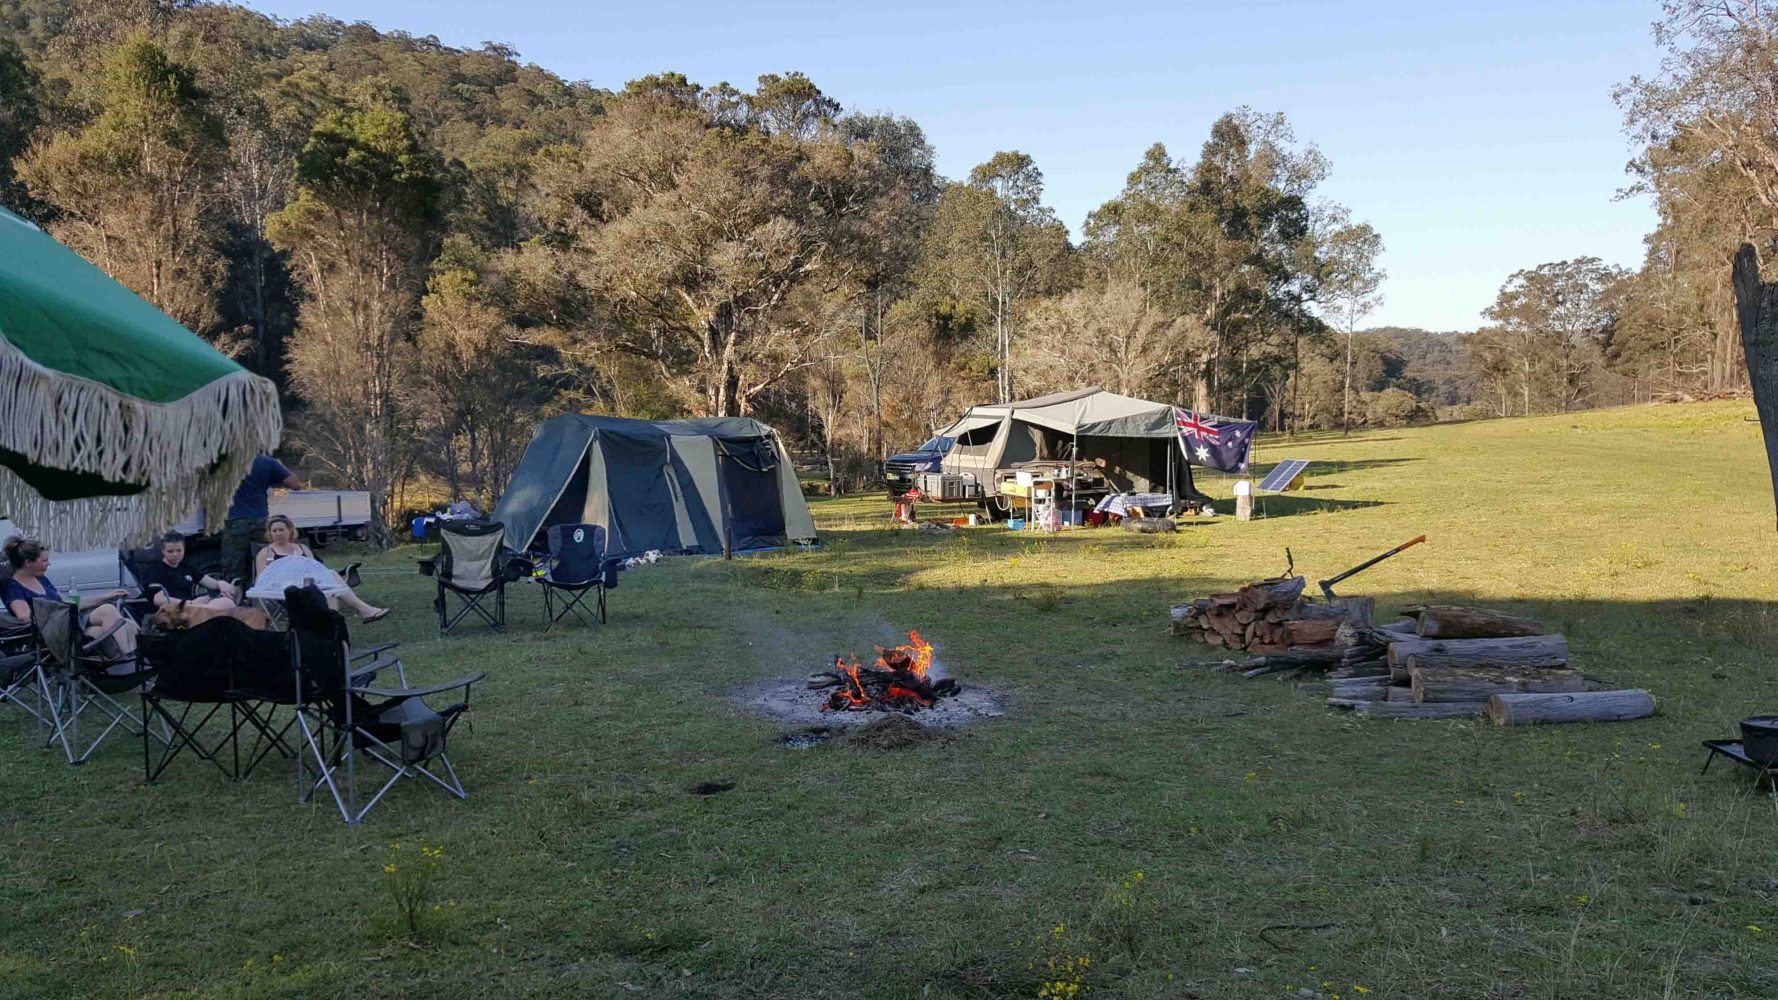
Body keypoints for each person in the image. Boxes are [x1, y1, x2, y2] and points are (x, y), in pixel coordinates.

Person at [3, 536, 138, 655]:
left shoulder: (39, 578)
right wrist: (55, 615)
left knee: (127, 625)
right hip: (54, 634)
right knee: (108, 611)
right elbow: (24, 617)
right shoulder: (14, 588)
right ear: (28, 562)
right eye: (44, 561)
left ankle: (127, 672)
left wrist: (106, 596)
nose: (48, 564)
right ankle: (128, 659)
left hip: (69, 624)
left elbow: (68, 603)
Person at [255, 515, 389, 623]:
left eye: (281, 529)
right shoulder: (265, 553)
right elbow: (262, 579)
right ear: (270, 534)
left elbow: (315, 570)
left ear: (290, 530)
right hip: (286, 592)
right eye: (274, 531)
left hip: (309, 586)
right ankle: (361, 611)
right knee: (328, 593)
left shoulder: (302, 549)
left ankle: (337, 630)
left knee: (330, 585)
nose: (278, 533)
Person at [221, 454, 304, 584]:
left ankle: (235, 595)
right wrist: (278, 470)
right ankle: (267, 593)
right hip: (261, 520)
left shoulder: (225, 461)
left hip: (235, 520)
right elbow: (295, 484)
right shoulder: (267, 462)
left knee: (233, 565)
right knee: (267, 560)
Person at [141, 532, 238, 609]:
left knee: (226, 602)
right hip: (174, 609)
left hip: (193, 604)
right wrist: (190, 603)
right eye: (170, 551)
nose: (175, 554)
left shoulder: (186, 567)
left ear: (184, 549)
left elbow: (210, 583)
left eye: (179, 551)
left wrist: (221, 583)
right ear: (163, 551)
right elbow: (158, 599)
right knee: (211, 609)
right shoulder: (156, 570)